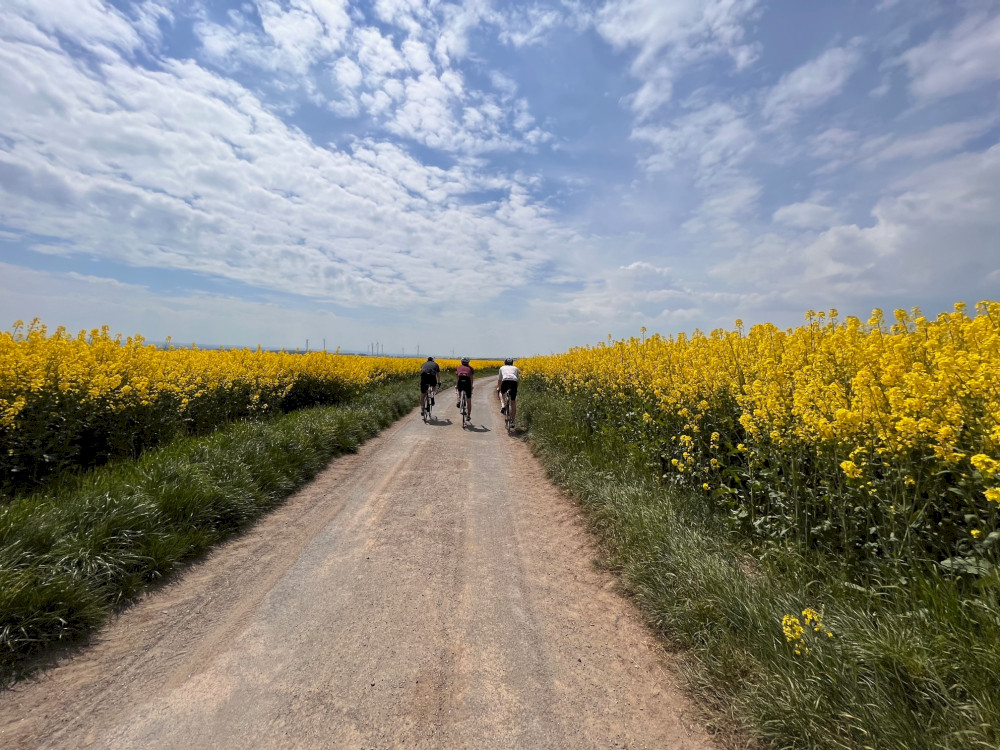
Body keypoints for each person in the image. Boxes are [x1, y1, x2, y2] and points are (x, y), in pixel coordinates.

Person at [496, 357, 520, 424]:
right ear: (512, 363)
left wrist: (499, 387)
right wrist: (516, 388)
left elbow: (500, 380)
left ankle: (503, 405)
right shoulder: (516, 368)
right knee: (513, 402)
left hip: (505, 381)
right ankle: (513, 421)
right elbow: (517, 380)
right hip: (514, 382)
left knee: (501, 392)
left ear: (505, 363)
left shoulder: (502, 368)